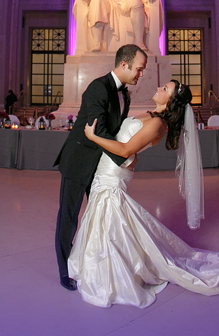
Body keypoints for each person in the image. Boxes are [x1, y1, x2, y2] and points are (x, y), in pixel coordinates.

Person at [68, 79, 219, 308]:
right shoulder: (150, 115)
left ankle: (114, 269)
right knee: (108, 216)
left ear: (171, 101)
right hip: (109, 167)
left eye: (165, 89)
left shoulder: (158, 124)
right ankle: (116, 260)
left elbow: (127, 150)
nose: (159, 88)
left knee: (109, 215)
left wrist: (93, 137)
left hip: (114, 172)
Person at [54, 44, 147, 291]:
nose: (141, 74)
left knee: (98, 217)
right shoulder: (98, 87)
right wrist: (125, 157)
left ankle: (96, 264)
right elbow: (100, 132)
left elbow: (116, 130)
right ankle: (65, 271)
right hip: (79, 161)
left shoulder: (124, 93)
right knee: (69, 218)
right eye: (139, 69)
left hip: (101, 165)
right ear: (124, 64)